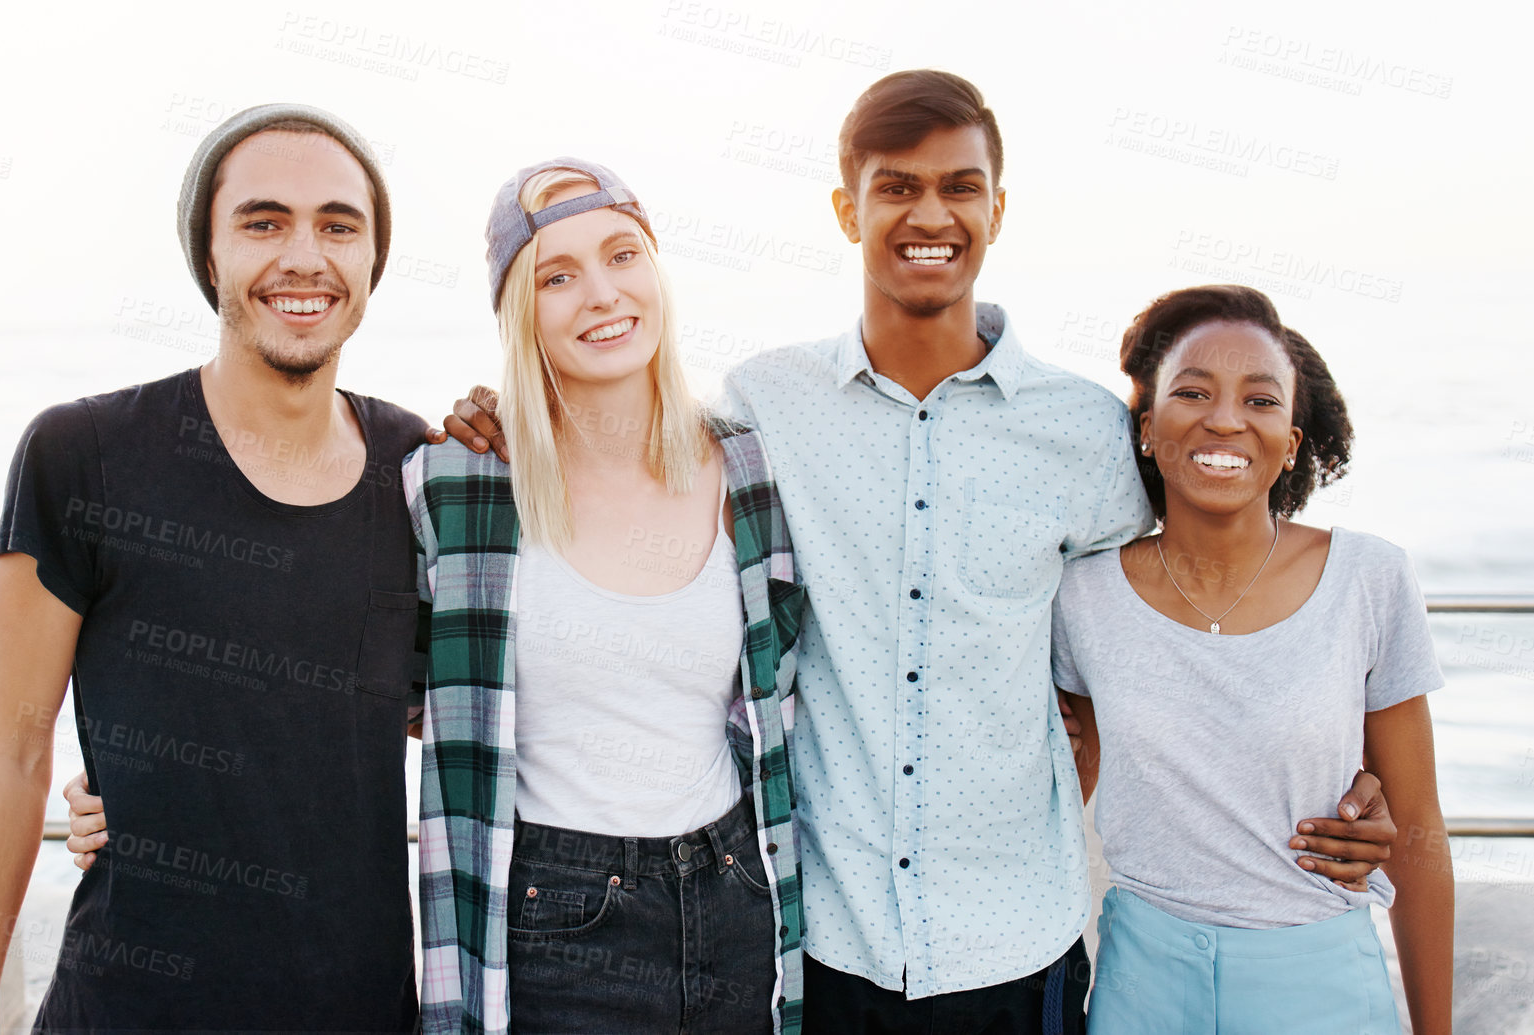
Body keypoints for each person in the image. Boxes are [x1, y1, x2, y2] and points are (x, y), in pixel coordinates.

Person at [444, 70, 1399, 1034]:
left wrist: (1343, 774)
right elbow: (622, 442)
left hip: (1018, 941)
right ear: (846, 210)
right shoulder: (766, 407)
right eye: (896, 187)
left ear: (996, 208)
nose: (929, 213)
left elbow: (1177, 616)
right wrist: (499, 414)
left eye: (958, 185)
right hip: (825, 939)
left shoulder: (1082, 432)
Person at [0, 105, 439, 1033]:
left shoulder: (416, 466)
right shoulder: (82, 453)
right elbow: (8, 753)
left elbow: (451, 707)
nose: (303, 255)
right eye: (262, 222)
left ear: (372, 260)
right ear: (208, 256)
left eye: (338, 225)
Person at [406, 158, 804, 1035]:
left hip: (738, 891)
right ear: (520, 312)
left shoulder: (750, 469)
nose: (600, 293)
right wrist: (121, 797)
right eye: (557, 275)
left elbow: (798, 678)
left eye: (622, 255)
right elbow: (361, 693)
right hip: (556, 922)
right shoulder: (454, 486)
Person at [1052, 285, 1452, 1034]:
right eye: (1192, 391)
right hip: (1140, 983)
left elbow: (1419, 823)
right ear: (1147, 428)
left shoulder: (1368, 578)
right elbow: (1064, 783)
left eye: (1260, 400)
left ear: (1292, 441)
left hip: (1321, 984)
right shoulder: (1081, 593)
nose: (1225, 418)